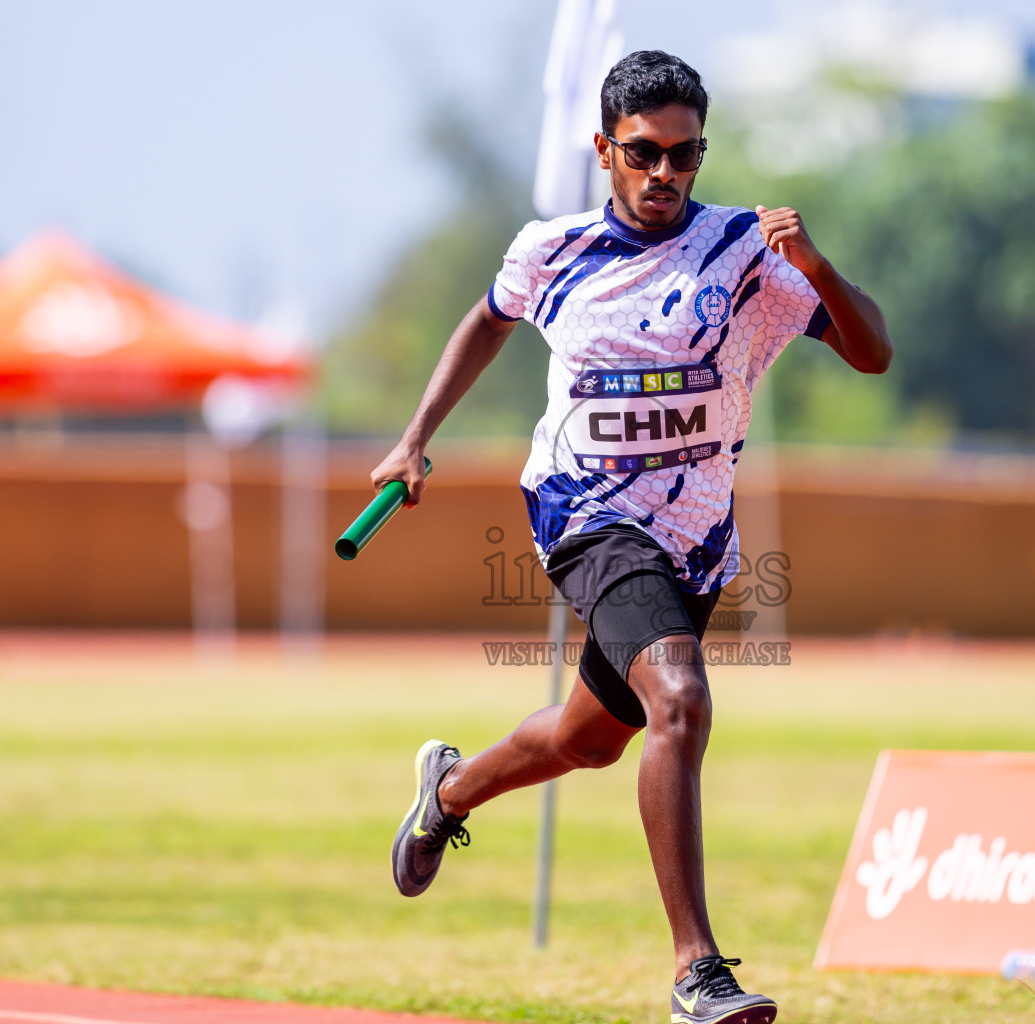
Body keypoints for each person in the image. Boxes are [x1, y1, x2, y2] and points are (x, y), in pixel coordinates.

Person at [372, 50, 891, 1024]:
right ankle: (699, 968)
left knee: (588, 739)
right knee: (680, 700)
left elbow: (873, 351)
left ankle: (446, 792)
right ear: (605, 149)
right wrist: (413, 438)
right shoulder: (554, 251)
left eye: (686, 155)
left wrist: (815, 262)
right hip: (585, 513)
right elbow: (486, 322)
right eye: (646, 153)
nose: (666, 175)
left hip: (694, 538)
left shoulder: (747, 255)